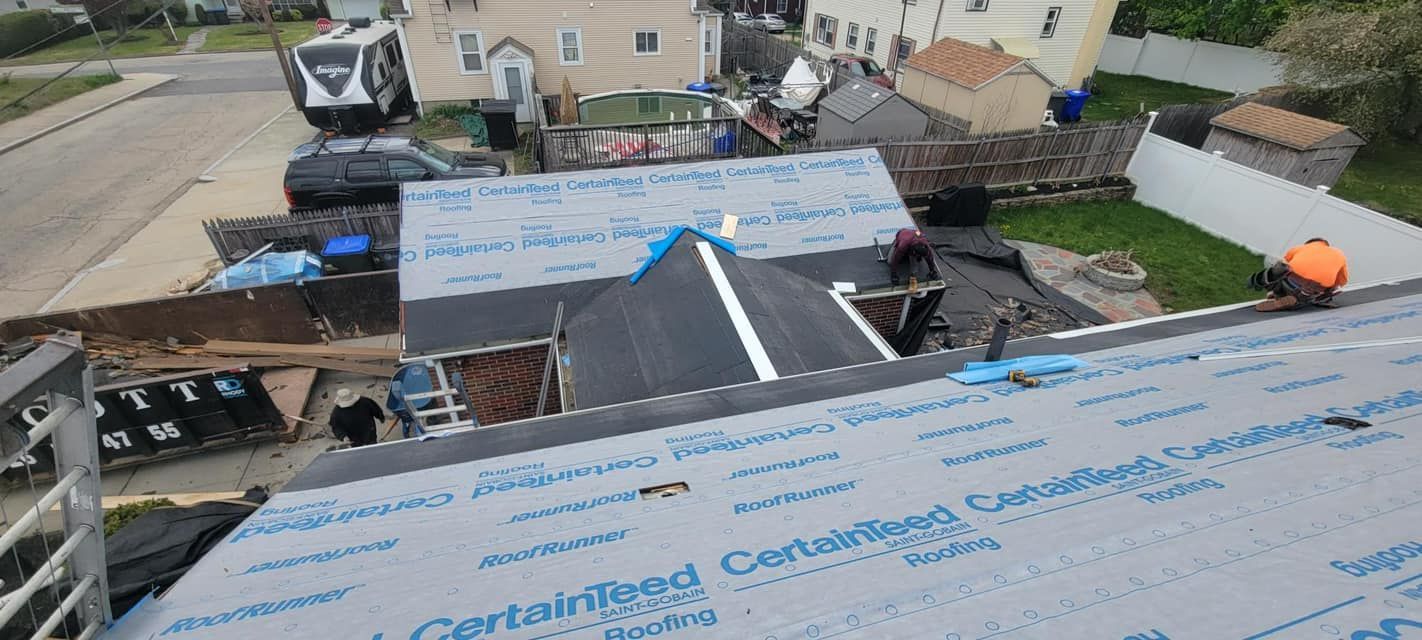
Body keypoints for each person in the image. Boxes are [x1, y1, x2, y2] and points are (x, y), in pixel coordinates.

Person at [1251, 238, 1348, 312]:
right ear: (1326, 245)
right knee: (1329, 286)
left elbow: (1284, 265)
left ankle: (1278, 294)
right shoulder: (1339, 253)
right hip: (1314, 290)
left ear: (1308, 243)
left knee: (1280, 269)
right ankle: (1301, 300)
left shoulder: (1299, 248)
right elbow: (1342, 281)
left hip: (1291, 283)